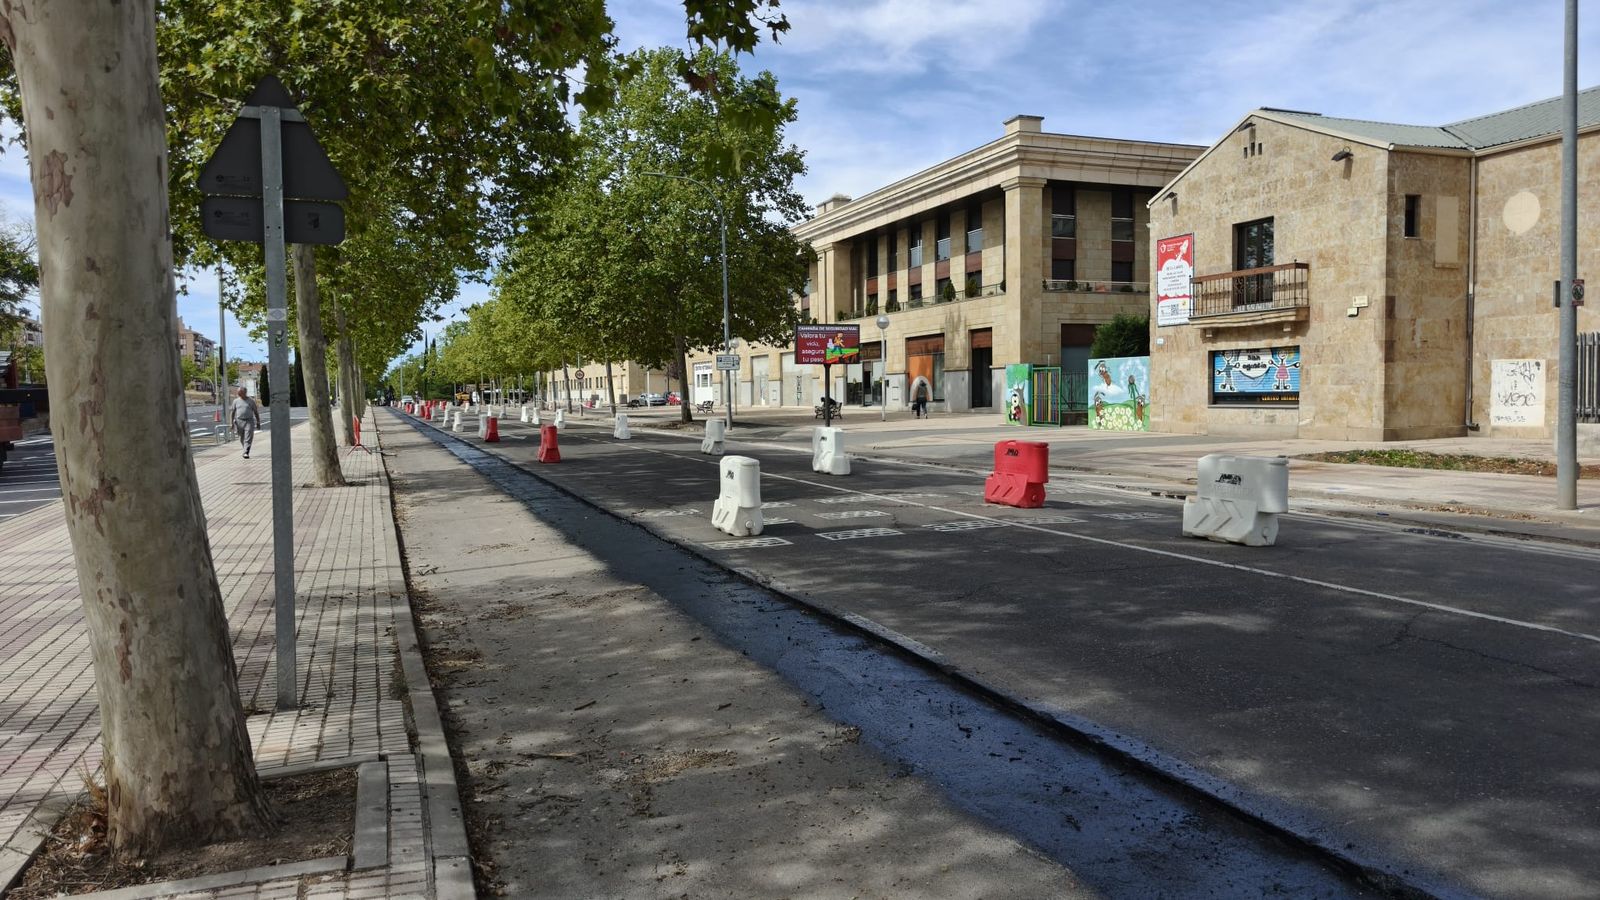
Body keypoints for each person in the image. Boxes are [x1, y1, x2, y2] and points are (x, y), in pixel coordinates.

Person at [230, 386, 260, 459]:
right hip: (239, 421)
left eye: (240, 393)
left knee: (248, 436)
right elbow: (233, 412)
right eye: (238, 393)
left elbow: (256, 412)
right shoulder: (236, 401)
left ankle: (246, 452)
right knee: (241, 437)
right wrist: (232, 423)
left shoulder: (251, 401)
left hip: (249, 421)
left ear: (245, 393)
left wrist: (258, 422)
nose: (239, 394)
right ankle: (245, 449)